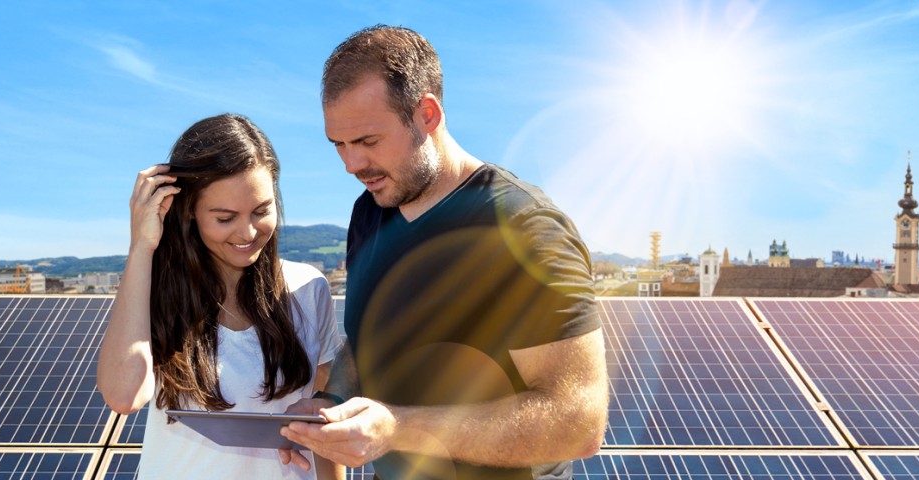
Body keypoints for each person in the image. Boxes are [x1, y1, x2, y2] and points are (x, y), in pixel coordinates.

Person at [281, 26, 608, 479]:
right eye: (339, 144)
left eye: (368, 142)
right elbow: (366, 340)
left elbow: (578, 423)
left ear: (427, 115)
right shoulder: (369, 213)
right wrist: (330, 404)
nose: (352, 165)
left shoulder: (524, 229)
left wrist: (397, 429)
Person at [96, 113, 344, 480]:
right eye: (225, 217)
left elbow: (327, 415)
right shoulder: (154, 292)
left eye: (261, 211)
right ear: (189, 211)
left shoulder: (308, 288)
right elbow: (124, 396)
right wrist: (141, 247)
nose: (248, 232)